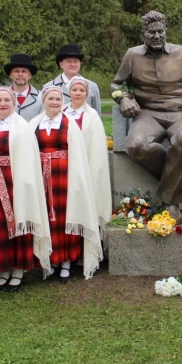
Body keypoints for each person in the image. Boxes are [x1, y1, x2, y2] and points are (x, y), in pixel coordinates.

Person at [111, 10, 182, 219]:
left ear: (165, 31)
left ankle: (171, 201)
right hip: (148, 114)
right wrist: (123, 98)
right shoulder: (132, 55)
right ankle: (181, 185)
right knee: (136, 145)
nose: (157, 36)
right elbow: (116, 83)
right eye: (152, 32)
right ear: (144, 33)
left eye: (160, 31)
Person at [0, 87, 52, 291]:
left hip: (15, 182)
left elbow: (28, 159)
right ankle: (2, 270)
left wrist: (24, 183)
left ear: (14, 103)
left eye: (7, 100)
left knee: (17, 224)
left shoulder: (22, 127)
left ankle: (18, 270)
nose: (3, 103)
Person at [29, 86, 103, 282]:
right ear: (43, 100)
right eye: (50, 98)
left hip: (65, 176)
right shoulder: (34, 123)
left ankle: (66, 262)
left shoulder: (70, 124)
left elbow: (78, 155)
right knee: (47, 217)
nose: (54, 102)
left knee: (64, 218)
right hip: (42, 176)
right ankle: (51, 259)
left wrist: (77, 181)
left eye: (58, 99)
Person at [62, 77, 112, 241]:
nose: (78, 93)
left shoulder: (92, 117)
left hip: (84, 168)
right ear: (69, 92)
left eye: (81, 90)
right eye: (75, 90)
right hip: (62, 168)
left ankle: (85, 247)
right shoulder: (61, 112)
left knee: (83, 206)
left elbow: (96, 148)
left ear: (87, 93)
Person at [41, 44, 102, 116]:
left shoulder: (92, 86)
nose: (73, 64)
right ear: (61, 64)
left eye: (75, 61)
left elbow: (97, 116)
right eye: (69, 61)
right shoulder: (48, 87)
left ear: (80, 64)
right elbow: (44, 115)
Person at [5, 53, 43, 121]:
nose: (20, 74)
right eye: (16, 71)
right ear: (10, 75)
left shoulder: (41, 98)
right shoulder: (2, 97)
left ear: (30, 75)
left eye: (24, 71)